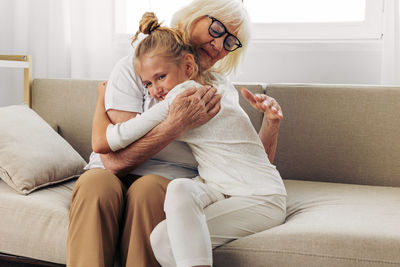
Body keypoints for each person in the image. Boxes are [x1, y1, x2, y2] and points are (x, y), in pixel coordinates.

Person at [66, 0, 284, 266]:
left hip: (169, 176)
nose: (218, 44)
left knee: (151, 191)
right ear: (193, 17)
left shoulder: (219, 89)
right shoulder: (137, 66)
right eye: (216, 28)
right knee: (95, 187)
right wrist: (176, 124)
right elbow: (114, 160)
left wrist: (270, 124)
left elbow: (248, 166)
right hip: (109, 169)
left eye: (230, 42)